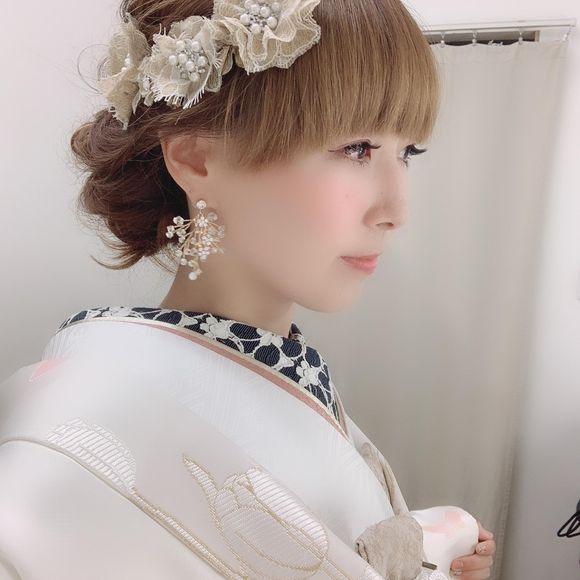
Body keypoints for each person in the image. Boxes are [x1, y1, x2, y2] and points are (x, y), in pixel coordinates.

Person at [0, 0, 496, 578]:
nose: (396, 210)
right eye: (356, 149)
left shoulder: (278, 364)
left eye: (407, 152)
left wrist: (430, 552)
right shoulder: (79, 432)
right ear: (196, 158)